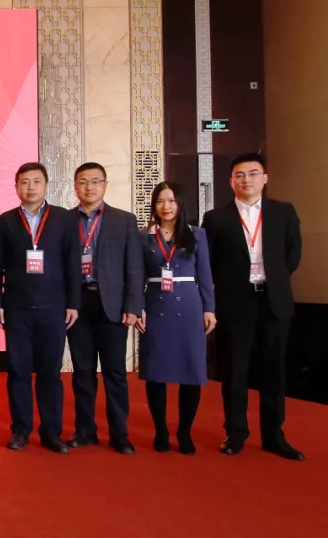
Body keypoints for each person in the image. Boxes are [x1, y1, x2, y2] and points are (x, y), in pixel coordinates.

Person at [202, 153, 304, 460]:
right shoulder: (215, 218)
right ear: (231, 181)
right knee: (235, 371)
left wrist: (272, 278)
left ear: (265, 178)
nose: (247, 179)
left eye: (253, 173)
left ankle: (274, 435)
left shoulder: (283, 212)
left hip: (273, 301)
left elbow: (292, 255)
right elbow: (209, 263)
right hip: (236, 303)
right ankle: (235, 433)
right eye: (240, 175)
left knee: (274, 371)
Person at [0, 162, 80, 453]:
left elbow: (73, 263)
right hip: (16, 308)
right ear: (16, 187)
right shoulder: (5, 222)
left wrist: (73, 303)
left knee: (50, 372)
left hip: (53, 308)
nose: (30, 187)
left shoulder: (64, 219)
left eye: (36, 181)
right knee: (18, 371)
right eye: (24, 182)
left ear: (46, 185)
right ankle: (20, 430)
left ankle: (51, 432)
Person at [65, 163, 143, 455]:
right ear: (75, 186)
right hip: (77, 304)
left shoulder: (124, 220)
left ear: (105, 185)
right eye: (83, 181)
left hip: (113, 304)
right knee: (82, 372)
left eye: (95, 181)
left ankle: (120, 434)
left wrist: (133, 305)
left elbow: (134, 267)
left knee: (115, 372)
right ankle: (85, 430)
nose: (90, 187)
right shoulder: (64, 220)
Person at [135, 182, 216, 454]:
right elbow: (136, 276)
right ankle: (161, 430)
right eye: (160, 201)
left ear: (180, 204)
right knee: (155, 371)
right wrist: (137, 306)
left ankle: (184, 431)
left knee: (191, 371)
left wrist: (209, 309)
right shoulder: (143, 236)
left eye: (171, 201)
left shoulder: (196, 234)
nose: (166, 206)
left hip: (190, 307)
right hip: (155, 305)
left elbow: (205, 275)